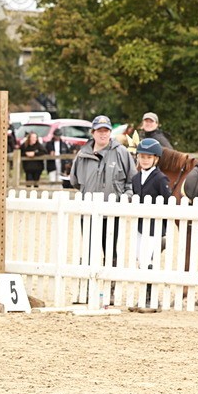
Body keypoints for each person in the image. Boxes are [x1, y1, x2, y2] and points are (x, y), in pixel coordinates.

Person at [70, 115, 135, 300]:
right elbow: (75, 180)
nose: (103, 134)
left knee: (111, 251)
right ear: (93, 133)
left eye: (106, 130)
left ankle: (110, 290)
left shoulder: (121, 152)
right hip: (88, 212)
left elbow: (132, 180)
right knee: (89, 251)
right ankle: (89, 288)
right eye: (99, 130)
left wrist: (125, 197)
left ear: (110, 132)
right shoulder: (82, 154)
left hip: (111, 212)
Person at [131, 138, 171, 307]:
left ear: (156, 159)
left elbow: (168, 202)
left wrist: (164, 228)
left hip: (154, 227)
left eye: (148, 157)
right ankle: (146, 296)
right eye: (142, 156)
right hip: (140, 226)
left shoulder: (161, 178)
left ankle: (151, 298)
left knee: (148, 261)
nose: (145, 160)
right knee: (140, 260)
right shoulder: (135, 178)